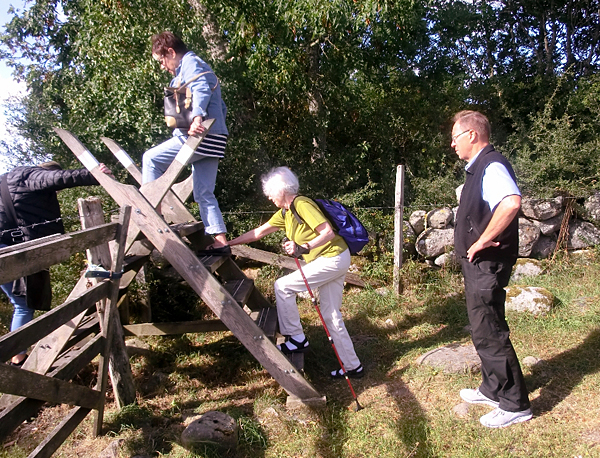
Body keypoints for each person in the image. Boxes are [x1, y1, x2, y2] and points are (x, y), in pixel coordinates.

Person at [228, 167, 364, 378]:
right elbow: (258, 232)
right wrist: (229, 244)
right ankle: (353, 366)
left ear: (281, 190)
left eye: (271, 192)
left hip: (333, 258)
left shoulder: (301, 204)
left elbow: (327, 232)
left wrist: (304, 247)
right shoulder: (286, 213)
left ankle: (296, 338)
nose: (269, 197)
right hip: (333, 258)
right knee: (331, 315)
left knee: (283, 286)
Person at [451, 110, 532, 428]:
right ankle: (492, 388)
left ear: (472, 135)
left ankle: (515, 404)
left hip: (488, 263)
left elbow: (511, 202)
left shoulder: (492, 164)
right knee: (481, 325)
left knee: (491, 329)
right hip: (478, 264)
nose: (452, 144)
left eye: (455, 137)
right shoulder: (478, 168)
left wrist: (483, 241)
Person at [0, 161, 112, 366]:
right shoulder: (32, 176)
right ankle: (17, 359)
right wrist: (93, 175)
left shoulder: (10, 180)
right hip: (4, 247)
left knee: (21, 303)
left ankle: (16, 357)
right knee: (23, 305)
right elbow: (59, 178)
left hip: (7, 244)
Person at [142, 31, 229, 252]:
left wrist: (197, 117)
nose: (162, 66)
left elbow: (200, 89)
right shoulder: (196, 66)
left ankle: (153, 217)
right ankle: (220, 241)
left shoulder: (191, 63)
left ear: (170, 52)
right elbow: (221, 106)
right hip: (215, 139)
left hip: (200, 136)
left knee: (150, 159)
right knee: (203, 193)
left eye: (161, 60)